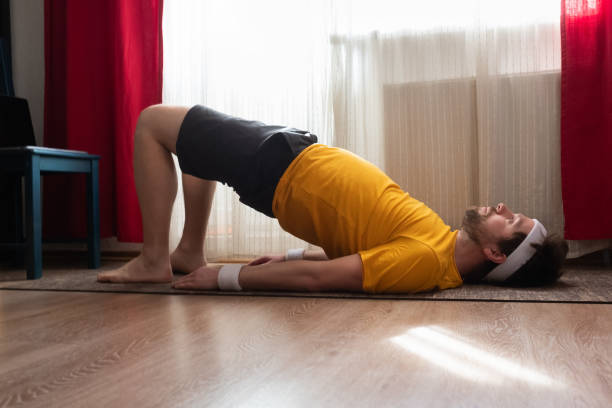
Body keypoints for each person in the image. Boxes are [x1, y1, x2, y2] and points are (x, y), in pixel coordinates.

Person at [97, 105, 569, 293]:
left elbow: (323, 278)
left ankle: (155, 257)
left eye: (513, 223)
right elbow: (359, 248)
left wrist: (225, 277)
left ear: (494, 252)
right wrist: (289, 252)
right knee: (195, 151)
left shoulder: (426, 261)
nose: (504, 208)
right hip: (293, 158)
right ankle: (186, 251)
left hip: (282, 169)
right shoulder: (438, 246)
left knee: (154, 123)